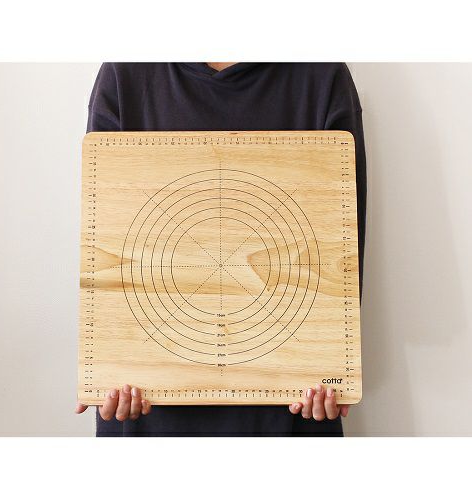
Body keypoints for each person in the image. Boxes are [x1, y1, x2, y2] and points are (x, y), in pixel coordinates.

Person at [75, 62, 367, 436]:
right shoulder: (125, 72)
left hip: (291, 408)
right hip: (147, 409)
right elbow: (105, 233)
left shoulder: (322, 75)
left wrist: (333, 368)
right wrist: (104, 371)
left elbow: (343, 252)